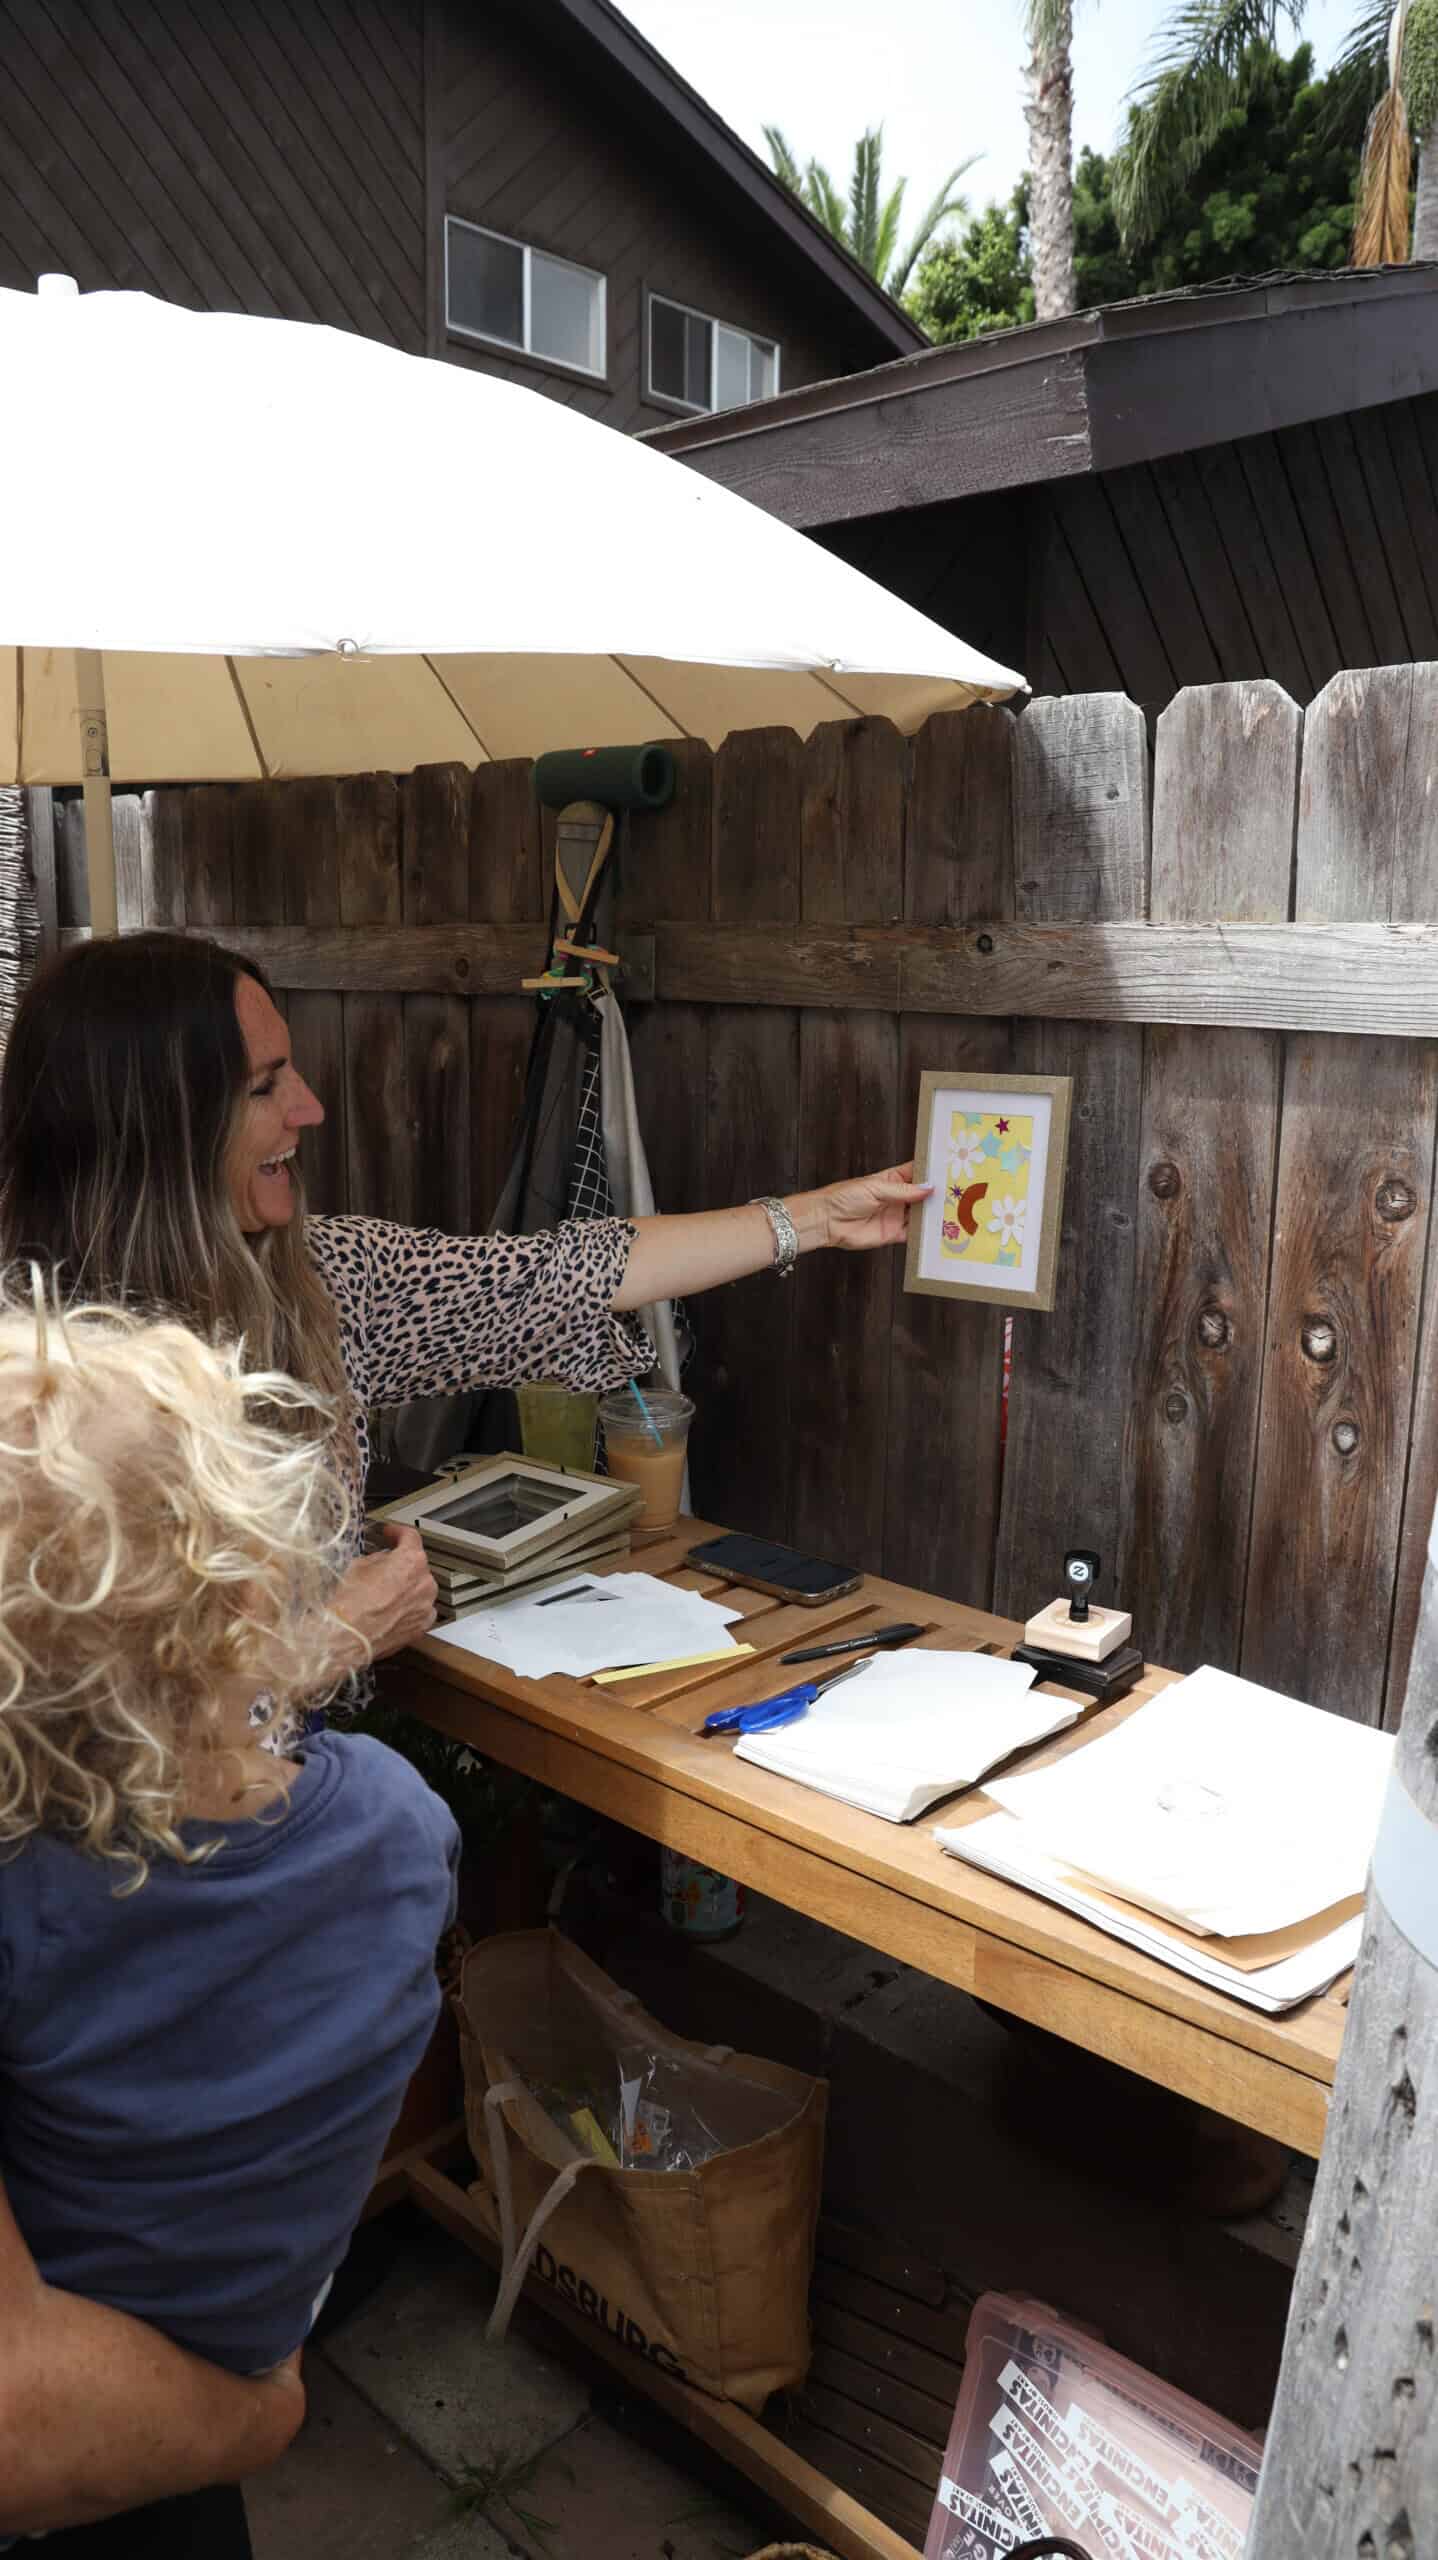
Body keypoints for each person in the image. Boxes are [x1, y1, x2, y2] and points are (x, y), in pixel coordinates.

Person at [0, 930, 928, 1673]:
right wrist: (320, 1645)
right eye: (264, 1086)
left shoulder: (320, 1278)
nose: (309, 1108)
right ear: (154, 1133)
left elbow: (560, 1273)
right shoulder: (29, 1389)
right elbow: (70, 1722)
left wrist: (816, 1218)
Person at [0, 1294, 458, 2555]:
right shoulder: (399, 1826)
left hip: (85, 2372)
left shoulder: (31, 1895)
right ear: (261, 1589)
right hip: (245, 2333)